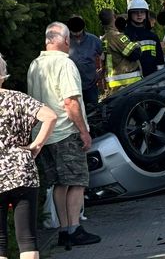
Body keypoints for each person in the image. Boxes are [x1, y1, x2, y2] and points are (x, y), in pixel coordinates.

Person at [27, 22, 101, 248]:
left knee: (59, 184)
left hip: (44, 134)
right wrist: (83, 131)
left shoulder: (34, 65)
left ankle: (63, 230)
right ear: (66, 40)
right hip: (65, 132)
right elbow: (70, 102)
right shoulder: (65, 64)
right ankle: (74, 228)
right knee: (77, 181)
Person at [0, 54, 57, 259]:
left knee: (0, 242)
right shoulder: (18, 98)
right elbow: (50, 116)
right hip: (22, 169)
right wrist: (37, 145)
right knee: (28, 239)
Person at [99, 9, 142, 95]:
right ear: (114, 17)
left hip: (114, 85)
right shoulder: (117, 37)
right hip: (127, 85)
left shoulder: (104, 39)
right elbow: (134, 54)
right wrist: (137, 44)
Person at [67, 16, 103, 110]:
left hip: (91, 85)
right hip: (72, 87)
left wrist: (102, 71)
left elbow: (105, 55)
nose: (76, 34)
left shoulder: (93, 40)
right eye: (74, 31)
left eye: (78, 30)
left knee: (93, 112)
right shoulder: (65, 42)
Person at [124, 0, 165, 76]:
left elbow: (160, 60)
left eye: (142, 12)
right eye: (135, 12)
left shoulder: (152, 36)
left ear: (146, 14)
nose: (139, 15)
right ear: (130, 14)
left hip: (153, 78)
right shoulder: (126, 35)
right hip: (135, 81)